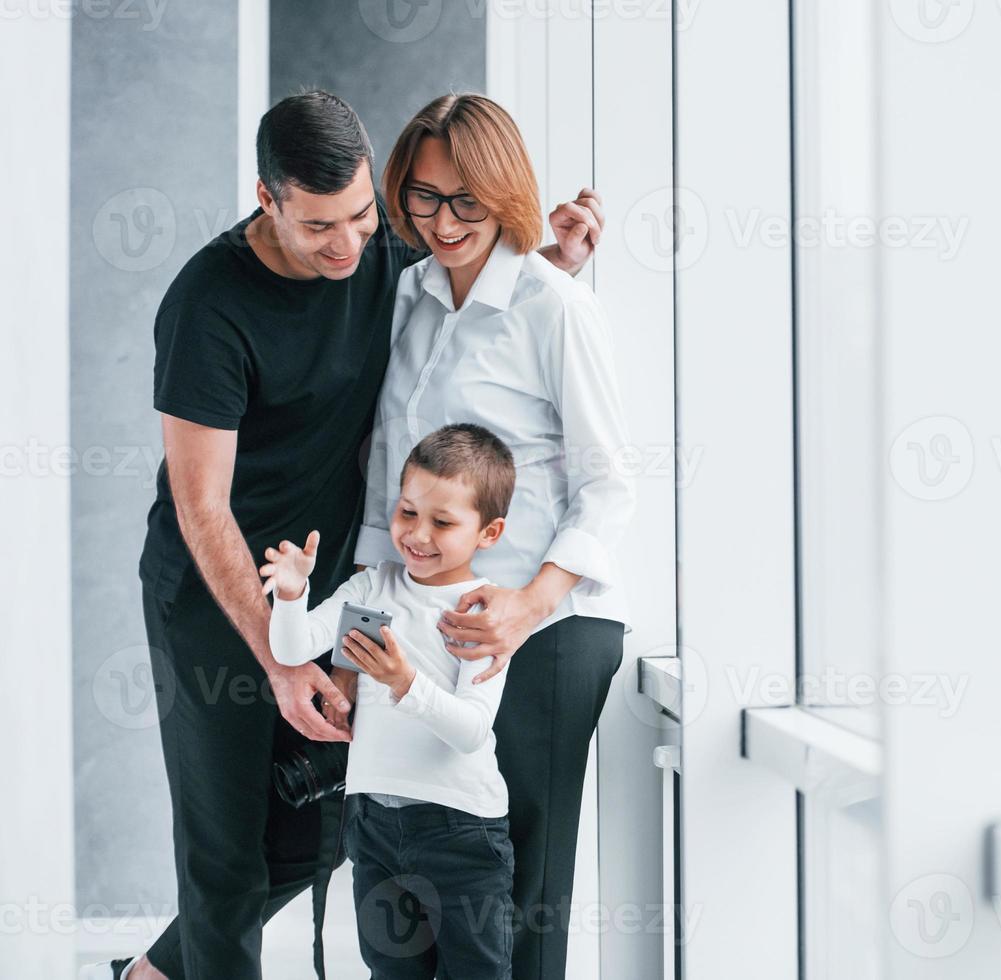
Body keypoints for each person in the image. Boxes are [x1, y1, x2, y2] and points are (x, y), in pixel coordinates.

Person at [89, 90, 603, 980]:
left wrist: (553, 261)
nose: (348, 245)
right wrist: (282, 657)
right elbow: (200, 505)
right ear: (267, 197)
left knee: (337, 815)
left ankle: (155, 972)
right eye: (320, 226)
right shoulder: (209, 302)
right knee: (225, 850)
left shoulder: (381, 254)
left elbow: (468, 285)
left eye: (364, 216)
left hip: (336, 584)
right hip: (213, 592)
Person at [347, 93, 635, 980]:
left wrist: (525, 606)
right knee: (420, 894)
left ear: (506, 192)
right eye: (425, 198)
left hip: (545, 632)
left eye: (468, 200)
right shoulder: (411, 297)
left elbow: (609, 484)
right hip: (431, 632)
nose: (444, 221)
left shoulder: (554, 307)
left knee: (519, 903)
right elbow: (385, 473)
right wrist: (355, 632)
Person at [263, 423, 519, 980]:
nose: (418, 535)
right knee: (390, 971)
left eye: (443, 522)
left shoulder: (481, 614)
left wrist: (406, 684)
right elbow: (294, 646)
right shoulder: (372, 589)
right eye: (407, 513)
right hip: (375, 825)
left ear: (489, 532)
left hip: (462, 830)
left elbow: (472, 730)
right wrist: (290, 594)